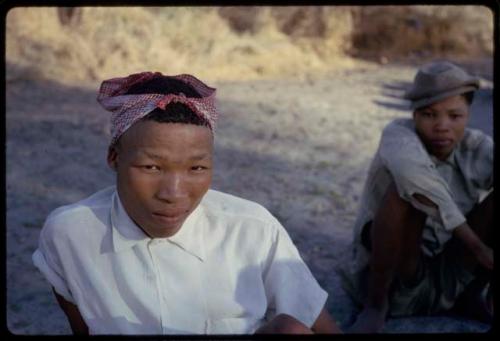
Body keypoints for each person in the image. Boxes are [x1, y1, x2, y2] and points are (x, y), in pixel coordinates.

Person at [32, 72, 341, 335]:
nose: (174, 193)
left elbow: (316, 322)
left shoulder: (252, 229)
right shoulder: (69, 233)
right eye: (152, 167)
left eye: (196, 168)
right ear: (114, 158)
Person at [338, 61, 494, 333]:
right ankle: (376, 305)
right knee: (405, 193)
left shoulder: (477, 146)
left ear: (469, 112)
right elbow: (416, 180)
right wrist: (477, 246)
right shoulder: (399, 135)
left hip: (452, 272)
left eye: (454, 116)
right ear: (414, 115)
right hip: (400, 271)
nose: (442, 126)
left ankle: (472, 296)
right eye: (428, 114)